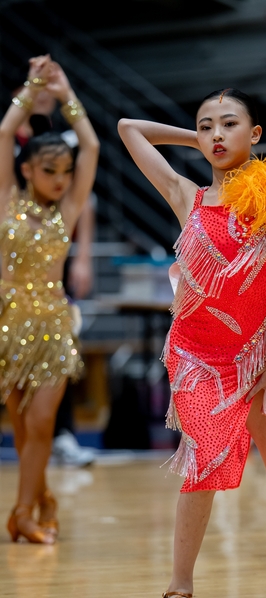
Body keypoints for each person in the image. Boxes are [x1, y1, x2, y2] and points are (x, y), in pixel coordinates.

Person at [118, 87, 266, 598]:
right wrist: (195, 140)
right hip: (196, 357)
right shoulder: (186, 195)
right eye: (207, 125)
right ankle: (179, 588)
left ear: (256, 134)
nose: (216, 134)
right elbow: (129, 128)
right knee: (206, 463)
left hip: (259, 357)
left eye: (229, 124)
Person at [0, 54, 100, 543]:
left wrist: (66, 95)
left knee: (42, 423)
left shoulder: (68, 209)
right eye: (49, 170)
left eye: (65, 170)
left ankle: (22, 512)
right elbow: (4, 131)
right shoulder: (6, 201)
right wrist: (32, 85)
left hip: (53, 326)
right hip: (9, 325)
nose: (61, 179)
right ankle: (40, 500)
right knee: (22, 429)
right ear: (26, 170)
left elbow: (92, 144)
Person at [12, 80, 97, 467]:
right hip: (9, 287)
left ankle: (62, 437)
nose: (59, 176)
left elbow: (85, 190)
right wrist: (32, 88)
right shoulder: (8, 152)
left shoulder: (63, 142)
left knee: (56, 363)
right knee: (15, 389)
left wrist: (82, 257)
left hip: (49, 284)